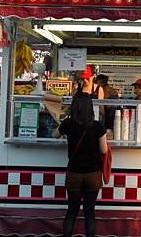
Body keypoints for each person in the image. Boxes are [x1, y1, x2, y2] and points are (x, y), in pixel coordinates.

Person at [55, 80, 108, 237]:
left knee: (72, 211)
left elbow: (55, 135)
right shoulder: (98, 126)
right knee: (89, 213)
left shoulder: (68, 124)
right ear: (90, 108)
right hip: (93, 174)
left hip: (74, 173)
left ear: (74, 107)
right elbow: (104, 150)